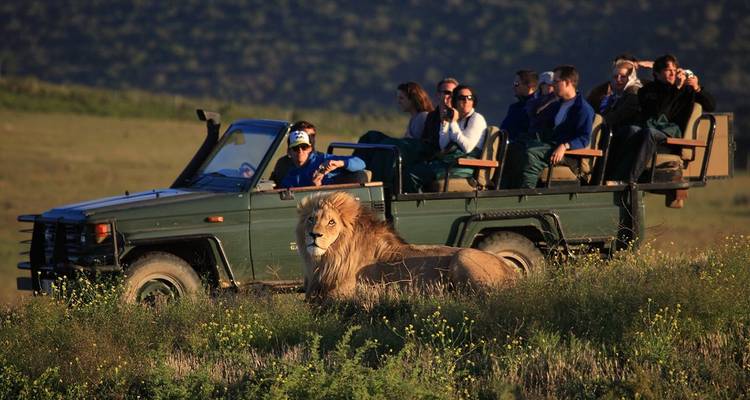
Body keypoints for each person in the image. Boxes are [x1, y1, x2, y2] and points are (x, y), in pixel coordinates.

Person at [608, 54, 716, 184]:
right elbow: (660, 114)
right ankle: (612, 176)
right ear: (657, 74)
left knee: (649, 133)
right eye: (668, 70)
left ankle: (629, 180)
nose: (673, 73)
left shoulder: (685, 90)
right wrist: (675, 90)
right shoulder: (647, 91)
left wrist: (697, 88)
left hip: (670, 139)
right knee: (630, 130)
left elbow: (710, 105)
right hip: (651, 132)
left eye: (674, 70)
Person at [516, 65, 594, 189]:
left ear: (567, 82)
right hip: (549, 145)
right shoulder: (557, 104)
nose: (552, 85)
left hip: (568, 155)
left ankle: (526, 193)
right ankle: (505, 189)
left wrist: (565, 146)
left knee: (531, 154)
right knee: (516, 146)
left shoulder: (583, 109)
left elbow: (584, 138)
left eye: (556, 81)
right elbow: (534, 117)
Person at [406, 85, 488, 192]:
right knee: (410, 170)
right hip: (450, 162)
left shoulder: (476, 118)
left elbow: (467, 147)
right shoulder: (457, 119)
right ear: (455, 102)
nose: (466, 101)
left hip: (463, 165)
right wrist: (444, 123)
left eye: (470, 98)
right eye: (462, 98)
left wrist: (453, 123)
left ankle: (417, 201)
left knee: (413, 175)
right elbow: (443, 145)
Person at [354, 81, 436, 186]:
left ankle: (376, 180)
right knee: (371, 136)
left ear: (413, 99)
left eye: (402, 98)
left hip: (412, 156)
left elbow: (414, 146)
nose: (399, 102)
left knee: (386, 145)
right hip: (404, 150)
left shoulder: (423, 117)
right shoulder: (414, 118)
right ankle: (357, 166)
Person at [280, 130, 367, 188]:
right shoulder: (289, 179)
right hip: (319, 206)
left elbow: (361, 163)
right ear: (289, 152)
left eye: (304, 147)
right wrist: (316, 187)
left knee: (360, 175)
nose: (300, 151)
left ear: (310, 148)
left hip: (342, 200)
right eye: (295, 148)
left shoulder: (325, 159)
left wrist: (340, 164)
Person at [500, 70, 538, 142]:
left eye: (516, 84)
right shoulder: (514, 107)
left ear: (529, 85)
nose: (513, 87)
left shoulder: (536, 107)